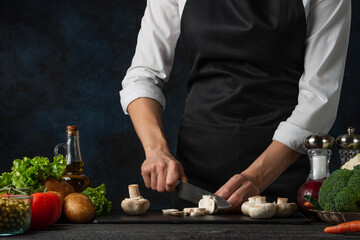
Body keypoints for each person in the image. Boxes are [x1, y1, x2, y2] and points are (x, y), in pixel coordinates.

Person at [120, 0, 351, 212]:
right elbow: (143, 76)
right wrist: (156, 150)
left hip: (283, 168)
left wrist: (258, 177)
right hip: (197, 171)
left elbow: (320, 97)